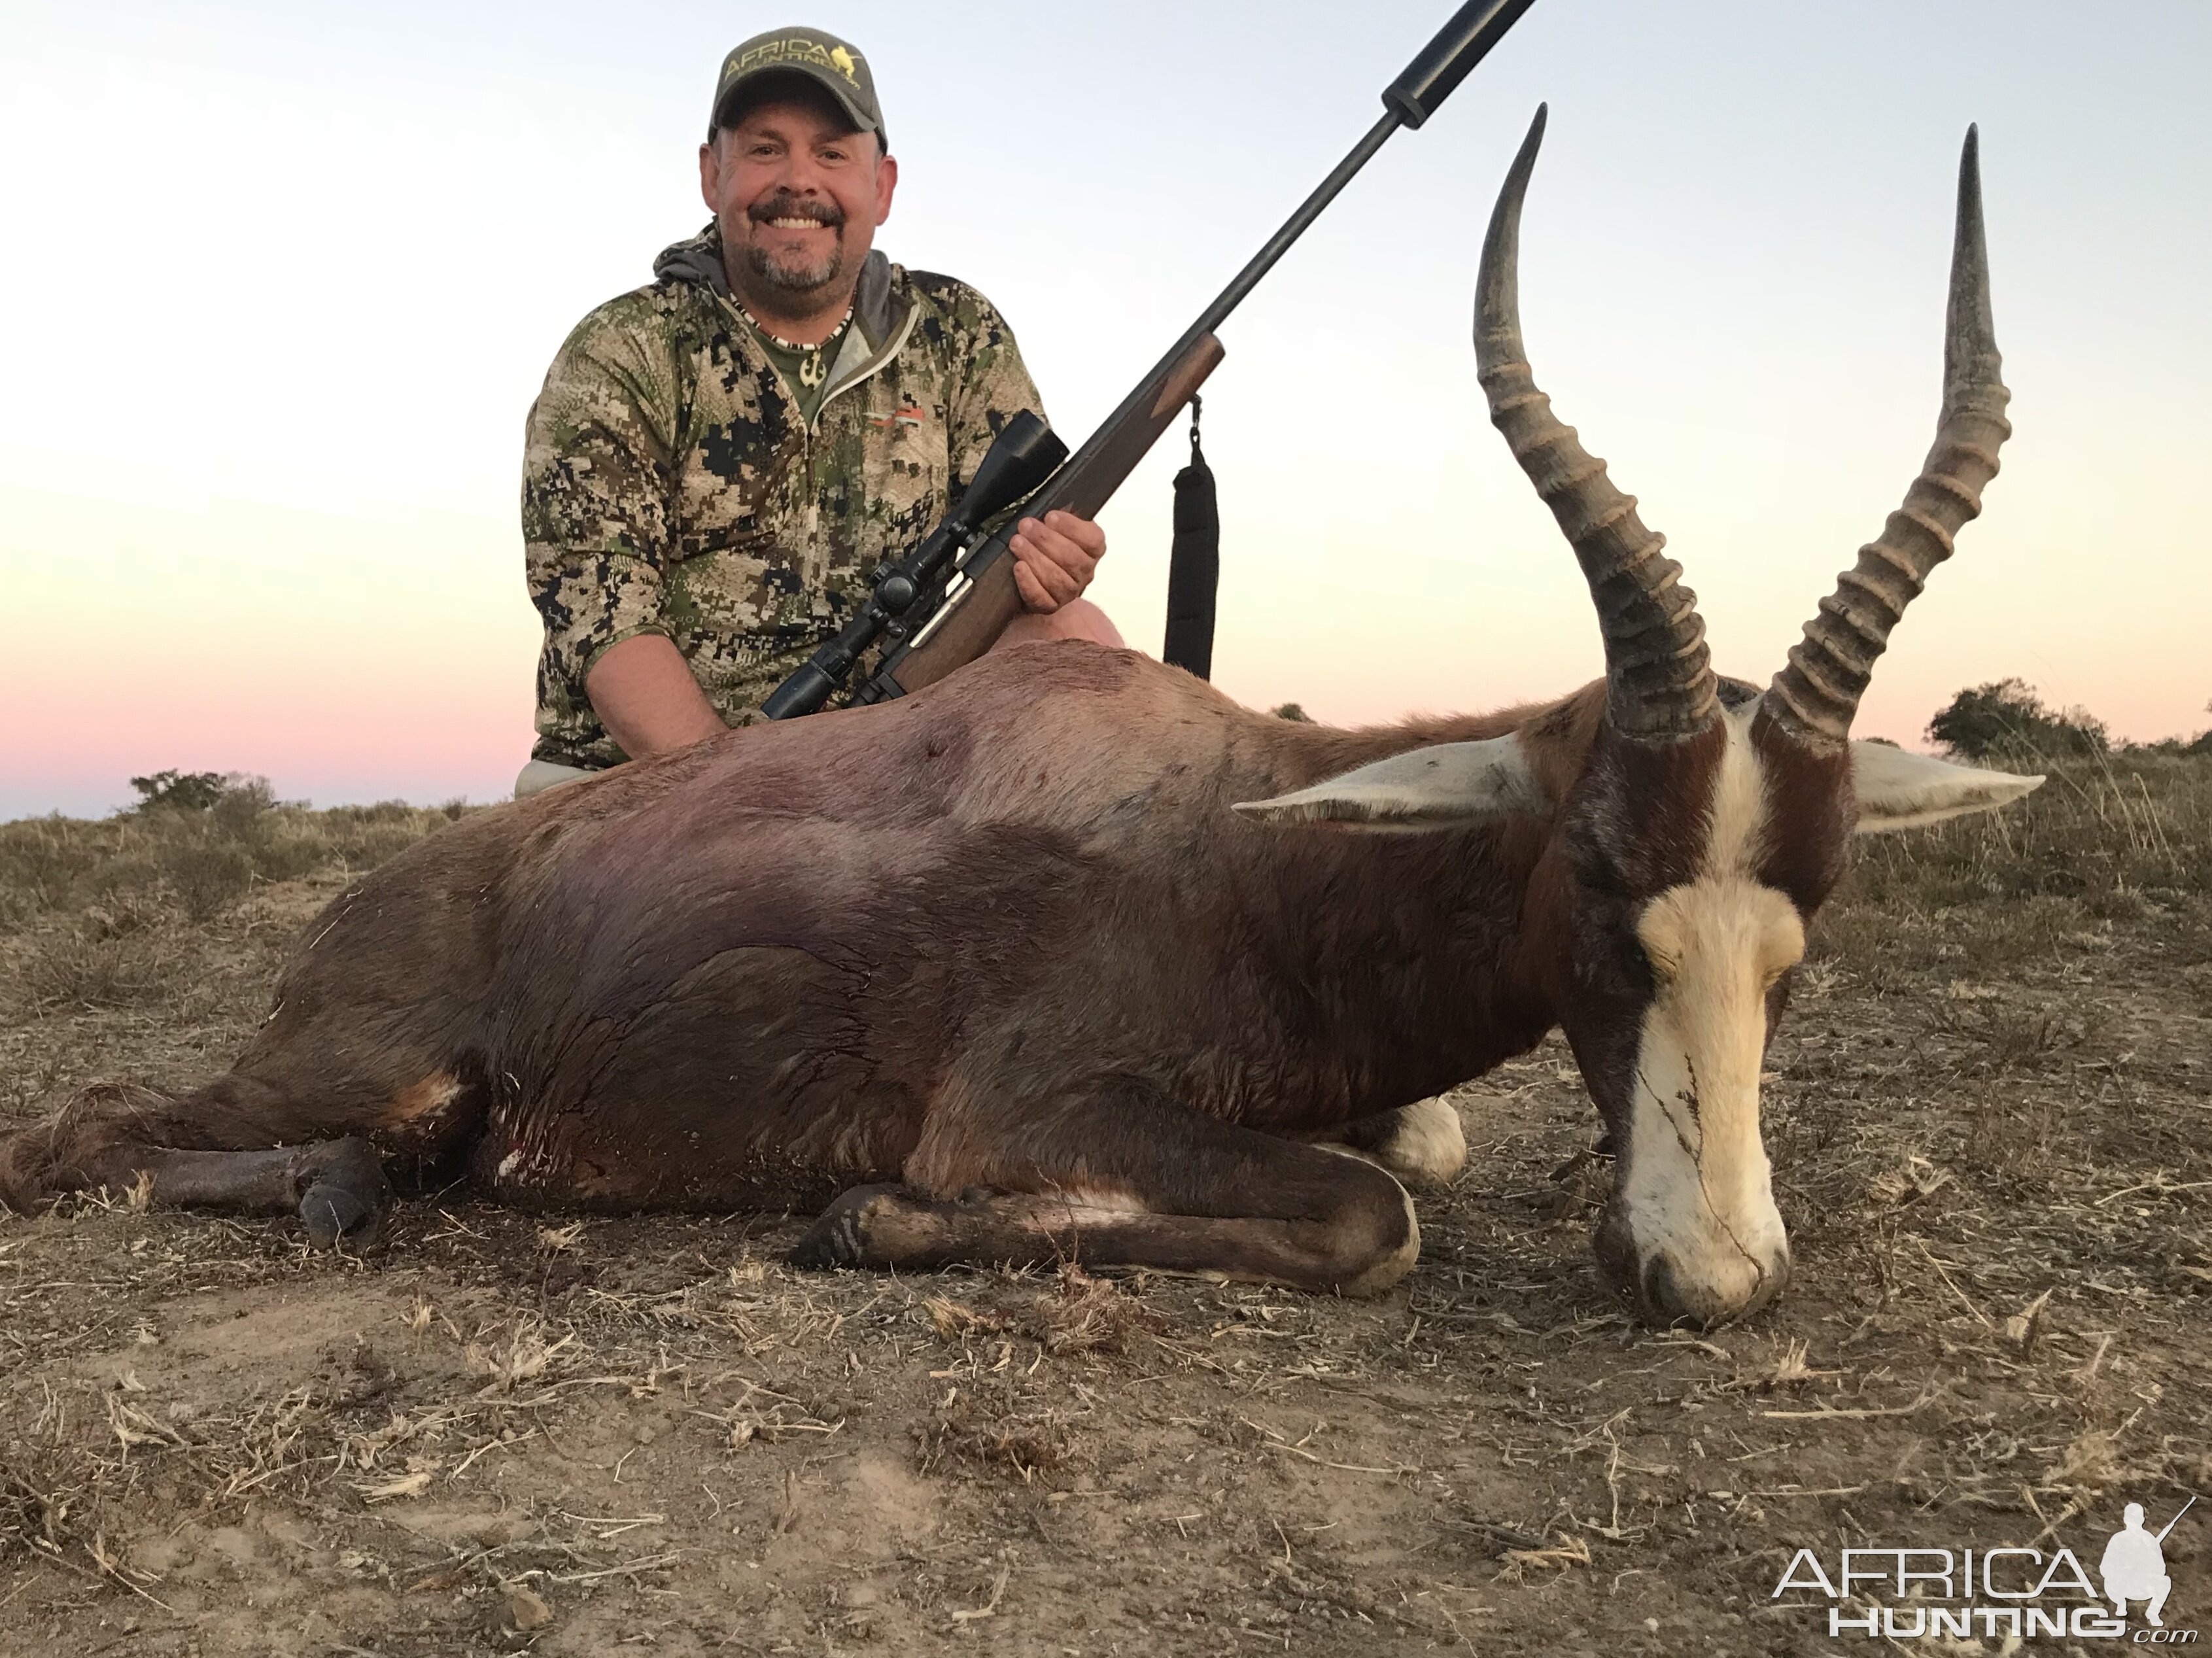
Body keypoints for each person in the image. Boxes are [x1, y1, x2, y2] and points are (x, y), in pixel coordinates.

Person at [515, 27, 1119, 797]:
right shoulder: (621, 351)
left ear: (883, 185)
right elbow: (605, 618)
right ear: (712, 175)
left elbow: (1015, 556)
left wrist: (1053, 563)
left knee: (1075, 636)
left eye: (832, 153)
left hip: (898, 756)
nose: (798, 181)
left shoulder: (959, 333)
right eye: (765, 149)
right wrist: (750, 805)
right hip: (647, 784)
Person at [2100, 1502, 2173, 1627]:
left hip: (2142, 1586)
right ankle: (2120, 1603)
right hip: (2121, 1586)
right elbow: (2105, 1568)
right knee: (2110, 1580)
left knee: (2165, 1582)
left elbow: (2161, 1569)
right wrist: (2123, 1569)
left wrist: (2144, 1567)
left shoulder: (2149, 1540)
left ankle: (2153, 1612)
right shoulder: (2118, 1539)